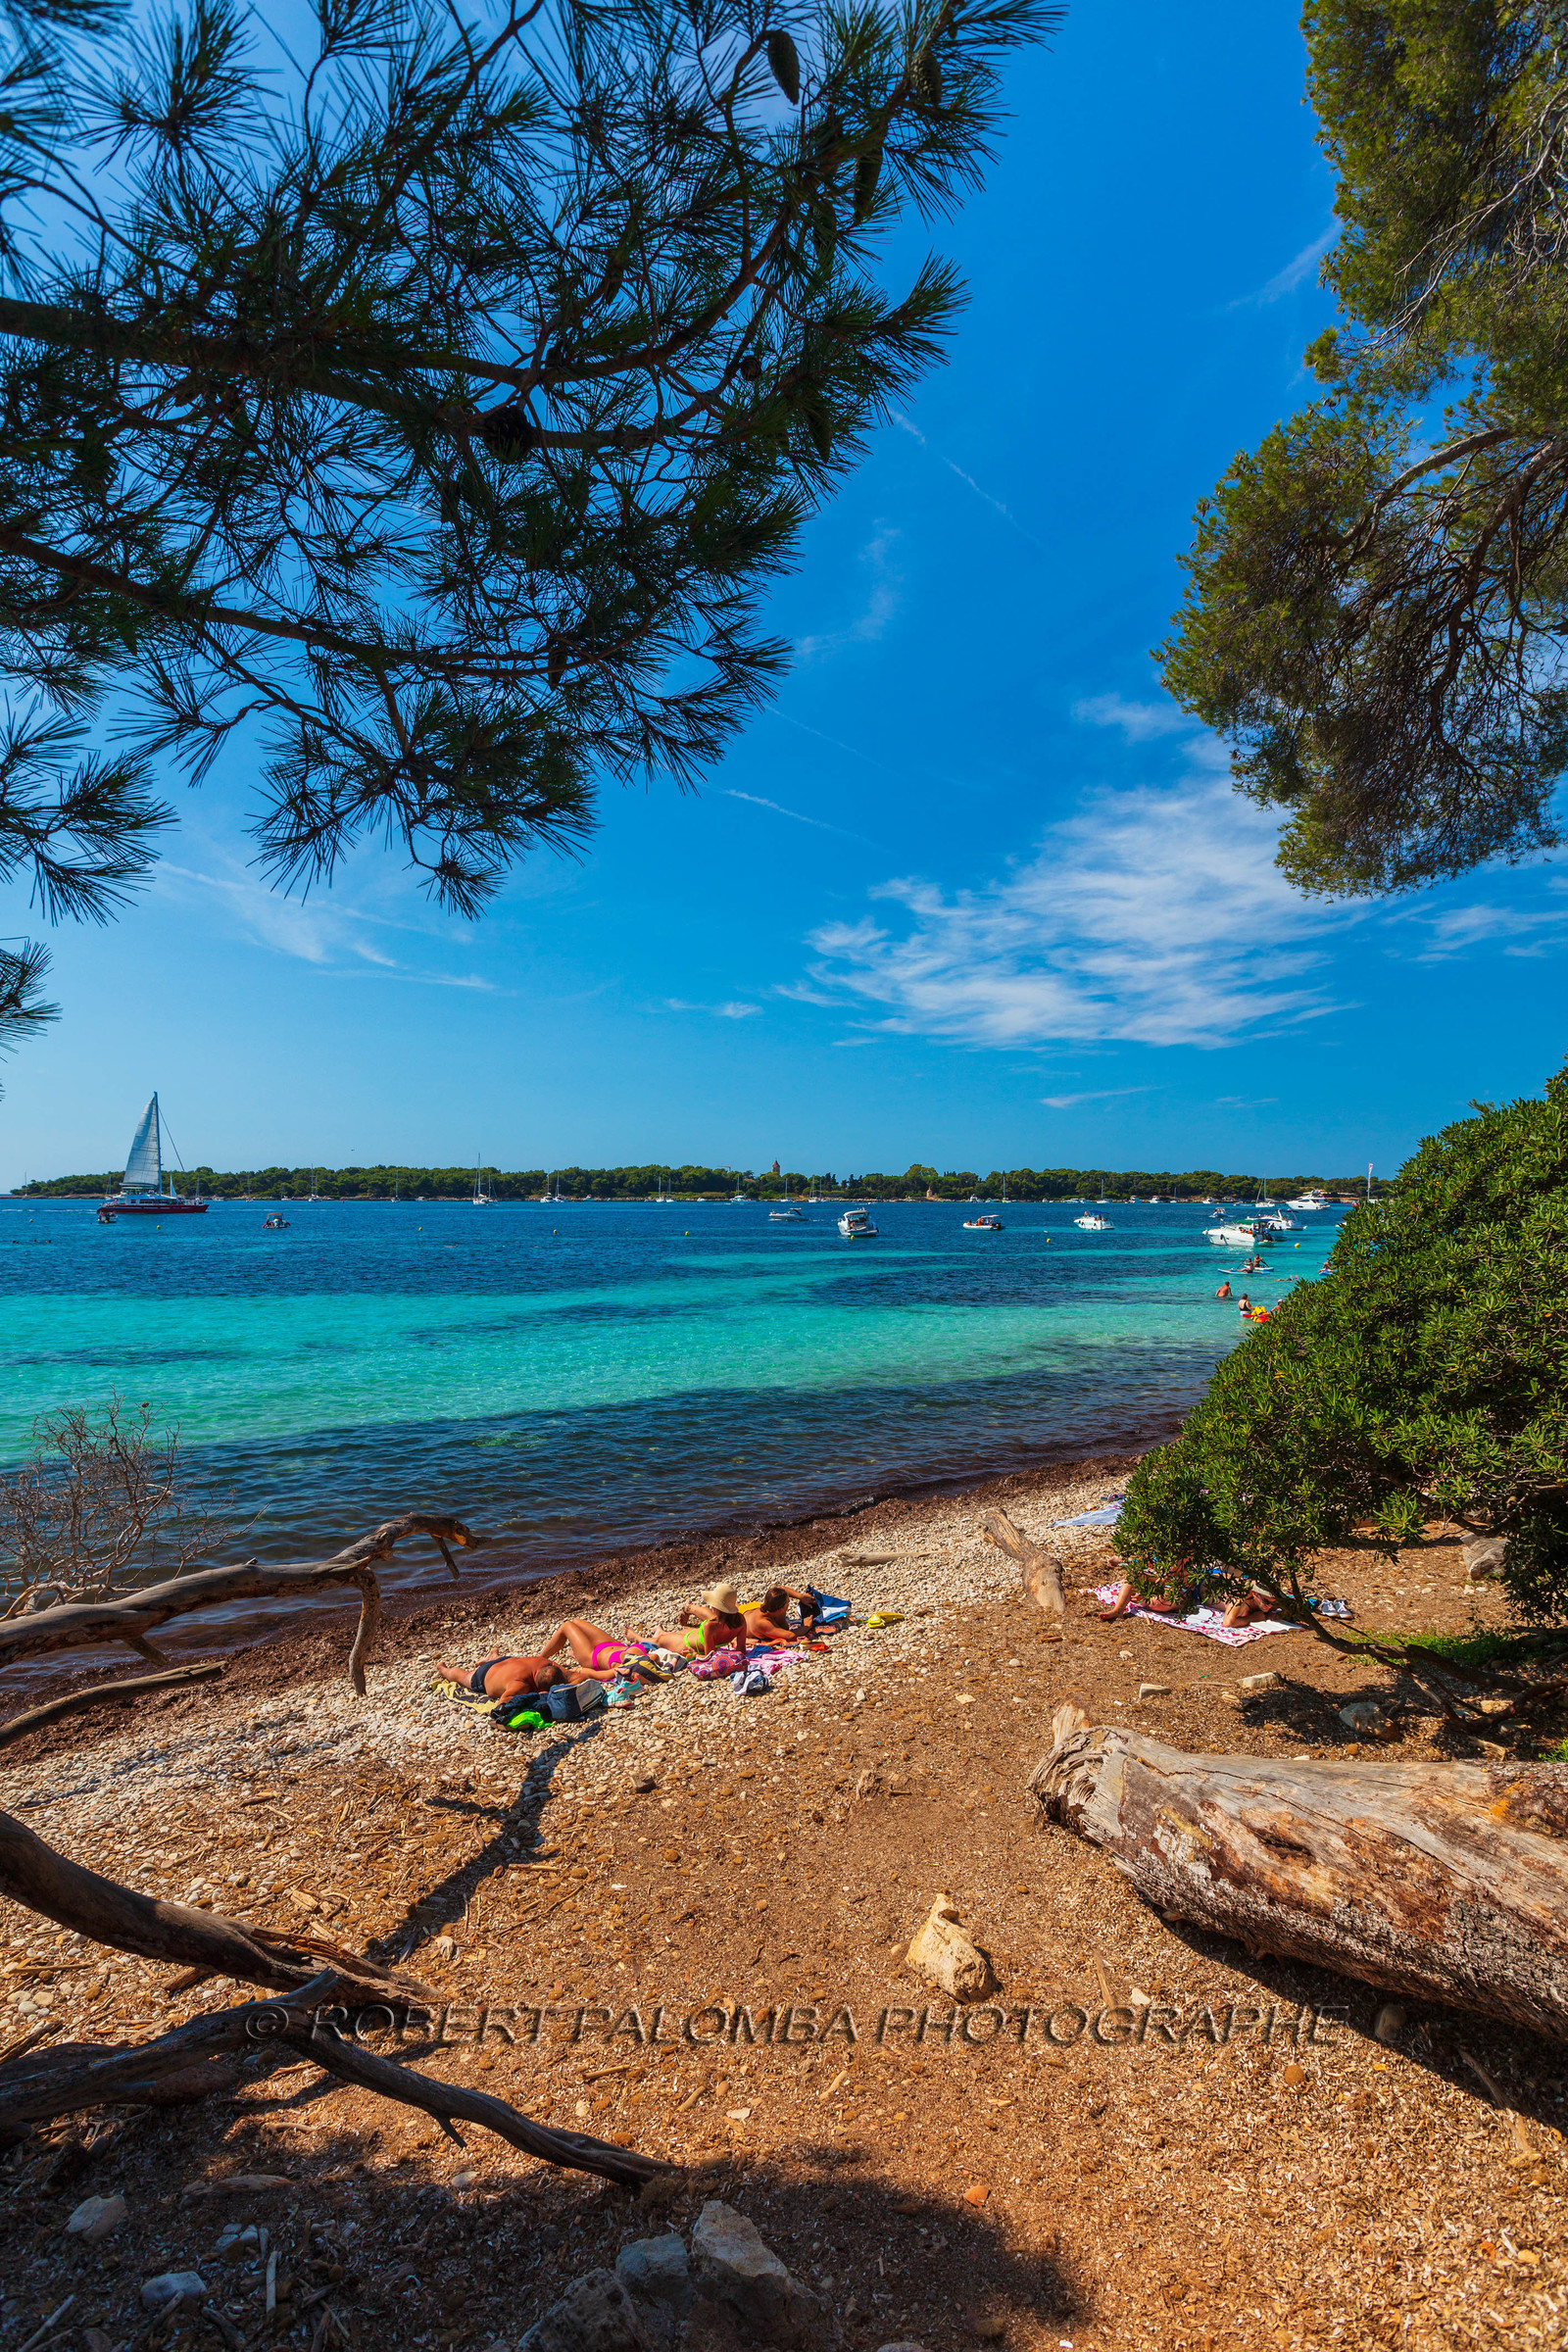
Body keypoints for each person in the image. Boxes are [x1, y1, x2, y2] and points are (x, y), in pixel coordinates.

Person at [644, 1580, 748, 1659]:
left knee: (659, 1641)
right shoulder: (740, 1620)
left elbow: (709, 1658)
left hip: (686, 1644)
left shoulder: (710, 1626)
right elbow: (741, 1651)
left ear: (717, 1607)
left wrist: (694, 1654)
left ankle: (635, 1638)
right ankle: (661, 1631)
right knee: (674, 1633)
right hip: (696, 1636)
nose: (711, 1607)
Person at [436, 1647, 568, 1704]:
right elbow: (504, 1700)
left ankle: (493, 1656)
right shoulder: (521, 1685)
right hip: (484, 1675)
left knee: (505, 1662)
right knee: (463, 1677)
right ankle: (442, 1669)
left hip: (507, 1661)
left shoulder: (544, 1662)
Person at [743, 1584, 816, 1645]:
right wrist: (806, 1627)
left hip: (754, 1607)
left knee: (783, 1625)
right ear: (780, 1609)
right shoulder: (762, 1622)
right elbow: (790, 1636)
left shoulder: (772, 1608)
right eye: (788, 1602)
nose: (789, 1604)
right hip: (744, 1615)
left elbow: (780, 1588)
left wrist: (801, 1597)